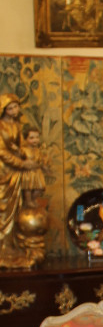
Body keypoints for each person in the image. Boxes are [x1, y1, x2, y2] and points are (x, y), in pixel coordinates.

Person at [0, 95, 40, 263]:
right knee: (4, 208)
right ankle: (3, 246)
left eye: (16, 107)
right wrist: (21, 164)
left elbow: (21, 147)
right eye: (10, 108)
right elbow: (1, 151)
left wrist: (28, 158)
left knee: (16, 208)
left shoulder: (17, 125)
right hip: (4, 172)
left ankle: (11, 245)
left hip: (16, 174)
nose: (14, 111)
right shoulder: (1, 126)